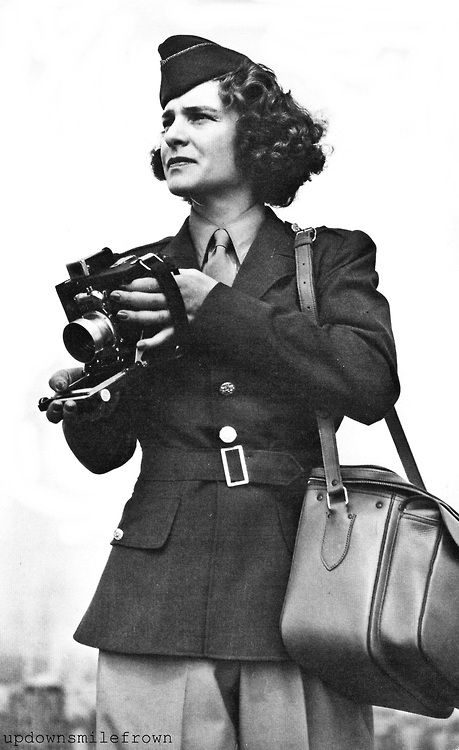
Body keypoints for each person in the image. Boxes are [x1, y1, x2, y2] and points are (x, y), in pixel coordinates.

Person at [46, 35, 399, 750]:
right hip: (154, 599)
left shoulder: (330, 256)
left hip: (302, 594)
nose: (173, 132)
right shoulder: (128, 278)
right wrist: (91, 400)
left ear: (260, 136)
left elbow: (367, 382)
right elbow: (103, 455)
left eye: (199, 117)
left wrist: (215, 308)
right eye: (167, 120)